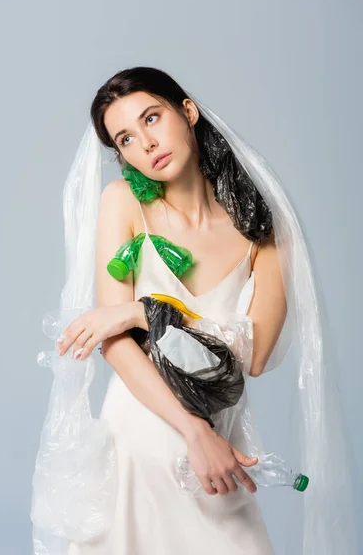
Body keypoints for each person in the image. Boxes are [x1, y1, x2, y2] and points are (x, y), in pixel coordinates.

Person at [31, 67, 358, 555]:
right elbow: (115, 346)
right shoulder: (122, 203)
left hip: (217, 450)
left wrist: (147, 312)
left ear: (187, 111)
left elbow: (257, 353)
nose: (146, 142)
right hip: (140, 435)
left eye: (152, 118)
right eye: (126, 138)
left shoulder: (260, 228)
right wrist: (193, 431)